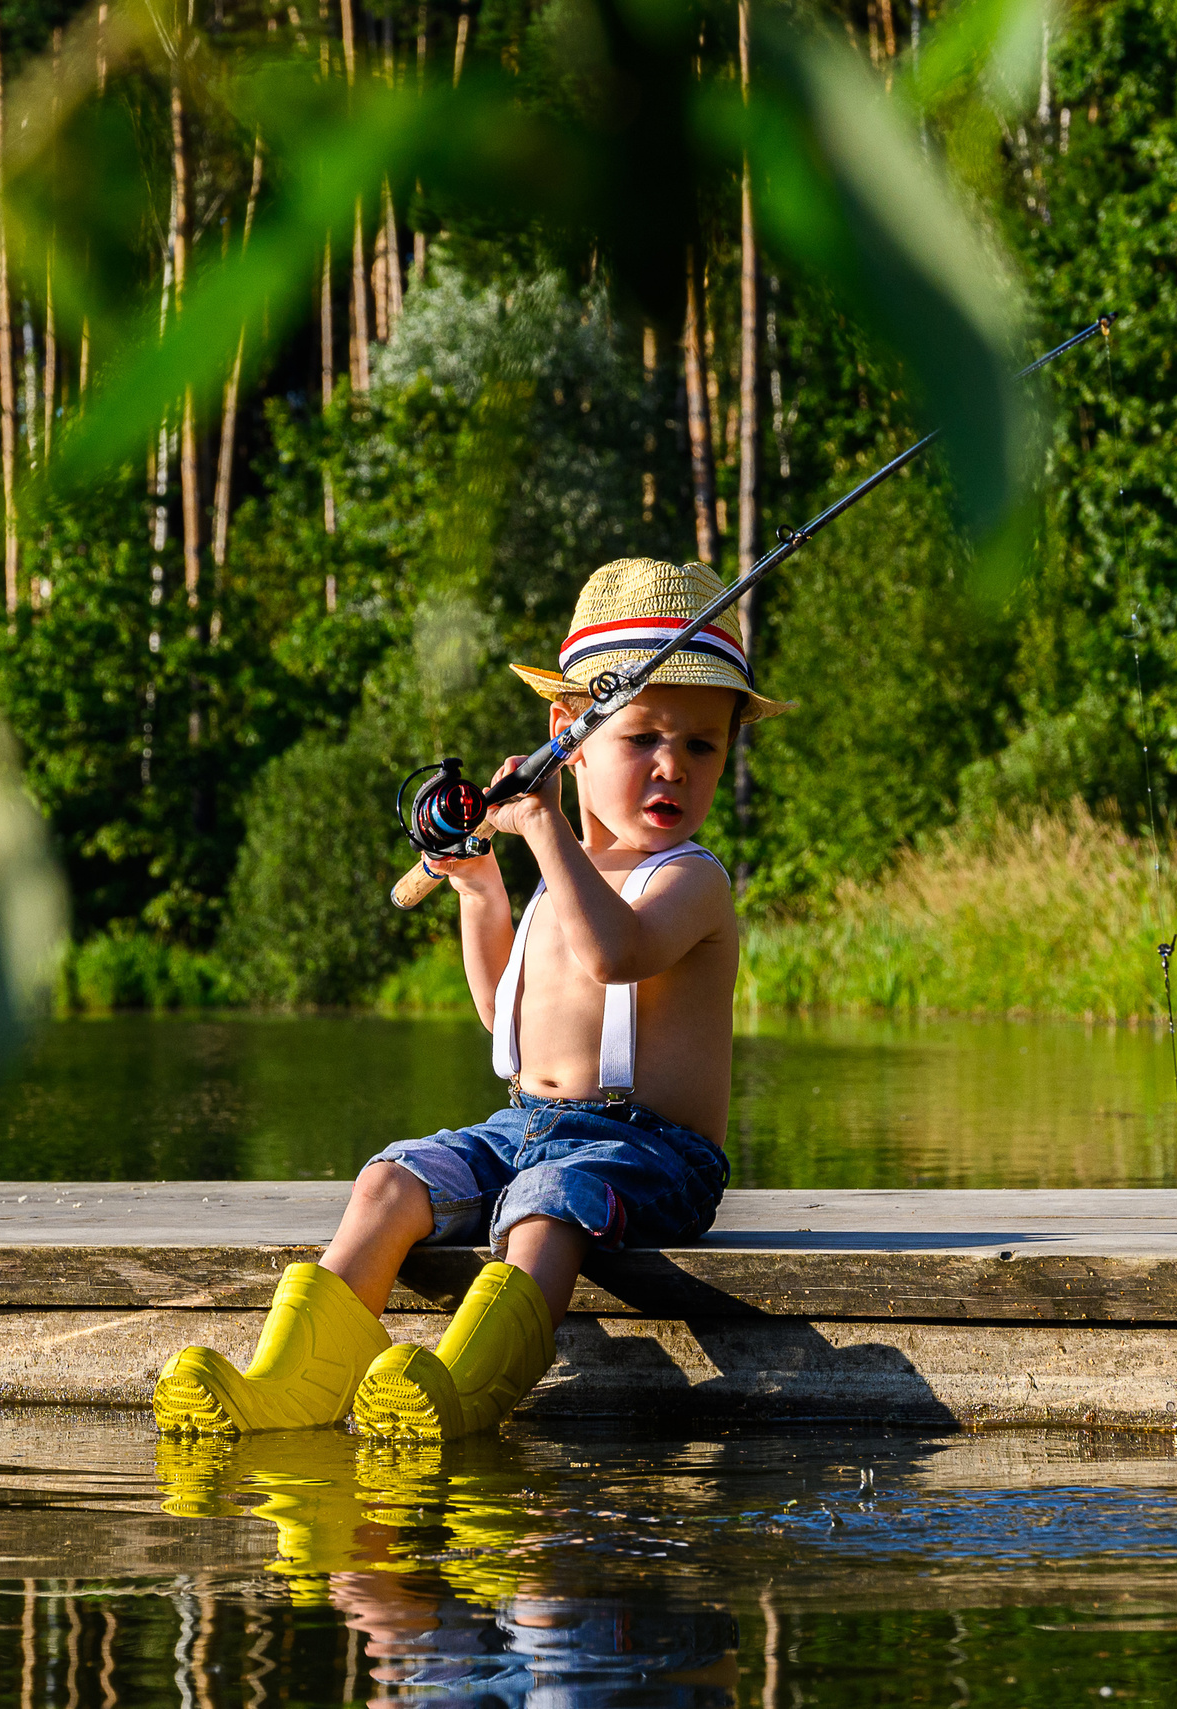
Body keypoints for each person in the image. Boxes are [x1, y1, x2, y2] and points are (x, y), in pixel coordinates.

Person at [151, 558, 792, 1439]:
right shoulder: (559, 873)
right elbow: (507, 1017)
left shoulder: (690, 881)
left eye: (701, 745)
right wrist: (483, 889)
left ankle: (458, 1390)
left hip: (653, 1154)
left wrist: (542, 827)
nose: (670, 768)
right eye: (642, 738)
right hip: (521, 1123)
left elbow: (615, 955)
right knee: (388, 1179)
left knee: (546, 1200)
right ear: (566, 733)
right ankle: (283, 1388)